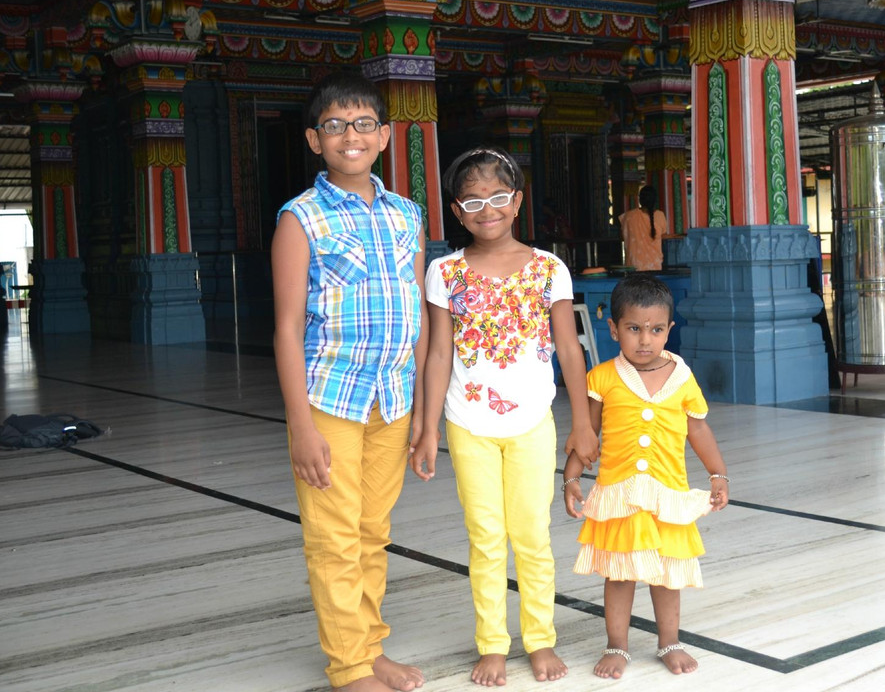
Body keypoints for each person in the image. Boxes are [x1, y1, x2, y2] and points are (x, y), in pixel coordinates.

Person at [411, 146, 599, 687]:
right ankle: (493, 643)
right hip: (466, 423)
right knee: (486, 535)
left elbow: (569, 351)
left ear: (517, 202)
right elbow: (438, 355)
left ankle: (540, 638)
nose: (486, 209)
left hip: (533, 425)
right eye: (472, 200)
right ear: (456, 209)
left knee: (532, 535)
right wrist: (426, 430)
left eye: (498, 197)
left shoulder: (548, 269)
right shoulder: (444, 271)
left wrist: (583, 424)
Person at [272, 71, 428, 692]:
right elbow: (286, 328)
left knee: (372, 533)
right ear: (315, 140)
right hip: (329, 397)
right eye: (334, 126)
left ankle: (369, 649)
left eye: (364, 124)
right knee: (334, 538)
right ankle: (349, 669)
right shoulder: (300, 217)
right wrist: (301, 426)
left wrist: (420, 410)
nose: (350, 136)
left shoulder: (406, 214)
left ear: (385, 135)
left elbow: (416, 312)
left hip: (392, 396)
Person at [562, 274, 729, 679]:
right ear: (614, 328)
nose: (644, 340)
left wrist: (717, 474)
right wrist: (570, 479)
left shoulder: (682, 378)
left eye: (656, 330)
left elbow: (699, 429)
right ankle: (617, 645)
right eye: (634, 329)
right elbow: (586, 435)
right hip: (621, 496)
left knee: (666, 573)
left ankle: (669, 641)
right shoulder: (602, 378)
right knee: (620, 574)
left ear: (669, 330)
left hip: (667, 495)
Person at [619, 184, 667, 271]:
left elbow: (622, 236)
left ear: (640, 199)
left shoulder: (628, 216)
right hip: (655, 266)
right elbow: (663, 235)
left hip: (633, 267)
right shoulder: (660, 216)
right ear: (654, 200)